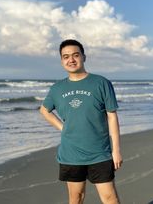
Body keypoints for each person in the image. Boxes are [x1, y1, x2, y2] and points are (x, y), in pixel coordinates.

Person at [40, 39, 123, 204]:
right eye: (66, 56)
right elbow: (44, 110)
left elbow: (112, 116)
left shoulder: (101, 83)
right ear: (62, 61)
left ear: (84, 57)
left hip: (99, 153)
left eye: (75, 55)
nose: (71, 60)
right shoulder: (57, 88)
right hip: (71, 155)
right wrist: (62, 128)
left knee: (110, 198)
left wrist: (116, 151)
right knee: (76, 198)